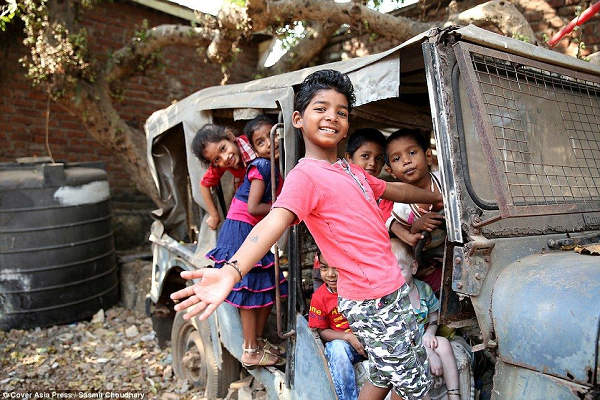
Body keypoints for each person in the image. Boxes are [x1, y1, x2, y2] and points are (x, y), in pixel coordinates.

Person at [171, 69, 443, 400]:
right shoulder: (306, 177)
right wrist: (231, 270)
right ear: (298, 119)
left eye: (341, 112)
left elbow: (393, 189)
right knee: (416, 385)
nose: (332, 117)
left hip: (389, 288)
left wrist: (440, 197)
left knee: (386, 373)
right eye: (321, 108)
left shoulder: (350, 169)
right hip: (372, 299)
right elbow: (272, 222)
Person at [203, 117, 287, 369]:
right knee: (250, 289)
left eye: (273, 138)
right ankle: (250, 349)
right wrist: (283, 208)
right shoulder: (261, 165)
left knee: (265, 287)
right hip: (241, 229)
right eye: (261, 142)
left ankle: (257, 343)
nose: (270, 144)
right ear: (252, 146)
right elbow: (253, 207)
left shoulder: (269, 165)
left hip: (250, 230)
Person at [392, 239, 460, 400]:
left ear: (413, 267)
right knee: (414, 360)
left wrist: (430, 333)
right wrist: (428, 352)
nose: (393, 276)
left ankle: (454, 394)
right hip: (402, 345)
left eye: (399, 269)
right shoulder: (390, 299)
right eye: (387, 271)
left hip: (421, 338)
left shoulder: (423, 290)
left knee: (443, 344)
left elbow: (434, 316)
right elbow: (400, 336)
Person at [384, 128, 445, 294]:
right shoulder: (400, 208)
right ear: (390, 171)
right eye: (397, 159)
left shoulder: (446, 182)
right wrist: (416, 227)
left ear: (427, 156)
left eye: (411, 152)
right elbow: (406, 244)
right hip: (426, 267)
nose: (406, 161)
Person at [309, 251, 366, 400]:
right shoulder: (319, 297)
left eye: (337, 268)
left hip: (368, 340)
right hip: (347, 346)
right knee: (336, 349)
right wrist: (347, 337)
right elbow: (321, 331)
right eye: (324, 268)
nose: (330, 274)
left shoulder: (361, 287)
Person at [191, 124, 257, 230]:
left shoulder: (252, 144)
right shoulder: (221, 163)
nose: (225, 158)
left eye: (223, 148)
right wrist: (214, 215)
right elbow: (204, 185)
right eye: (217, 159)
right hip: (250, 195)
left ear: (230, 137)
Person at [344, 128, 392, 221]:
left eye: (378, 158)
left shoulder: (386, 197)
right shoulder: (340, 188)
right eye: (365, 156)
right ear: (349, 157)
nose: (372, 163)